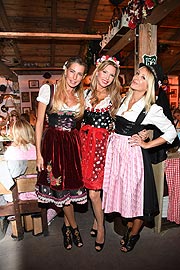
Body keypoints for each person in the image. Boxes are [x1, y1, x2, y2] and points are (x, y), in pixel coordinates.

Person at [102, 63, 177, 253]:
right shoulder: (123, 99)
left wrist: (147, 144)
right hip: (117, 155)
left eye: (143, 77)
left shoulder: (151, 108)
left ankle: (134, 234)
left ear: (149, 85)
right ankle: (129, 229)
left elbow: (170, 133)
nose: (136, 78)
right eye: (137, 74)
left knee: (137, 199)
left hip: (133, 157)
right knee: (123, 195)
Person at [80, 55, 148, 252]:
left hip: (105, 147)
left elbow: (130, 117)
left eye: (112, 74)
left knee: (95, 192)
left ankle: (101, 227)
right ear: (98, 71)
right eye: (105, 72)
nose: (107, 77)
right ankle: (96, 219)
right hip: (85, 145)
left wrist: (141, 131)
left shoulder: (116, 98)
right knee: (93, 190)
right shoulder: (84, 95)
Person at [35, 56, 87, 250]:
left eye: (79, 74)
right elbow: (39, 123)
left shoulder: (82, 96)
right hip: (53, 146)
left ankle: (67, 229)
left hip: (73, 146)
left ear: (83, 77)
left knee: (69, 190)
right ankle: (74, 228)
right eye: (72, 71)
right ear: (65, 70)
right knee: (60, 188)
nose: (75, 77)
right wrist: (38, 154)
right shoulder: (49, 90)